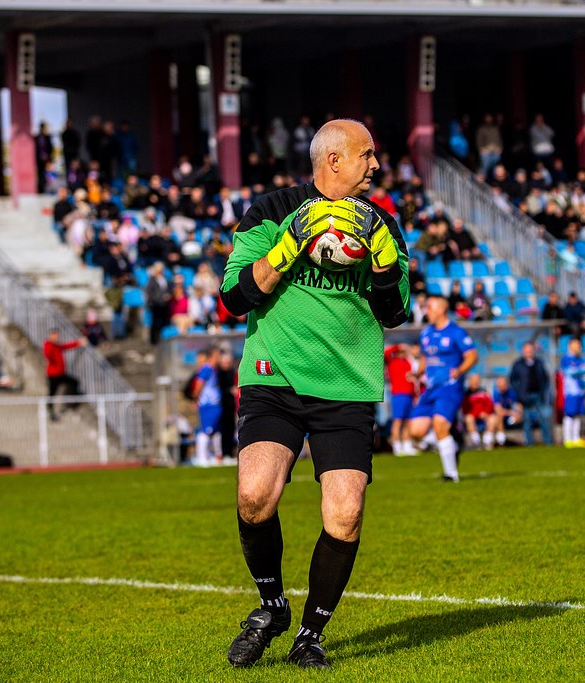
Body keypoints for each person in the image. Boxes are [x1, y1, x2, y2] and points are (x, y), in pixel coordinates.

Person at [218, 119, 410, 670]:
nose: (375, 165)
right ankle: (272, 606)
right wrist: (288, 247)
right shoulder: (270, 211)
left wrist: (383, 262)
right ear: (334, 160)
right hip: (273, 377)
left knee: (344, 516)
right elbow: (234, 296)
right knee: (254, 496)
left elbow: (395, 311)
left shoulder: (382, 223)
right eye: (366, 155)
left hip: (345, 386)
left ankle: (309, 635)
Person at [406, 296, 477, 481]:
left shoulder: (456, 332)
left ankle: (451, 474)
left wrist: (460, 370)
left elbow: (472, 356)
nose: (426, 311)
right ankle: (452, 441)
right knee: (415, 431)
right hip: (431, 388)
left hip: (449, 388)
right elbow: (425, 357)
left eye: (429, 307)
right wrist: (417, 373)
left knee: (439, 426)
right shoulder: (426, 333)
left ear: (441, 309)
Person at [510, 341, 552, 446]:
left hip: (538, 395)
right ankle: (529, 443)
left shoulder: (539, 363)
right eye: (526, 350)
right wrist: (520, 393)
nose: (528, 352)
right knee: (527, 420)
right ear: (523, 351)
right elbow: (513, 380)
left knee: (543, 419)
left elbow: (545, 379)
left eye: (530, 350)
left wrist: (544, 392)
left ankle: (548, 442)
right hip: (525, 396)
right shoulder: (518, 364)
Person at [43, 329, 87, 421]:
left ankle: (71, 403)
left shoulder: (57, 346)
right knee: (52, 393)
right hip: (53, 375)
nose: (57, 338)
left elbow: (66, 346)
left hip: (61, 374)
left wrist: (78, 343)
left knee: (74, 382)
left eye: (57, 336)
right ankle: (50, 411)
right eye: (55, 336)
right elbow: (48, 355)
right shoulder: (48, 345)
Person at [384, 343, 417, 456]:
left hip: (409, 395)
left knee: (407, 422)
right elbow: (385, 354)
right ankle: (397, 446)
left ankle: (407, 445)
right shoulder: (392, 362)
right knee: (397, 421)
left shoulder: (408, 362)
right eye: (401, 352)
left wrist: (415, 395)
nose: (403, 353)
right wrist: (398, 346)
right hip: (398, 395)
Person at [192, 345, 222, 466]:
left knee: (214, 430)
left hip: (214, 404)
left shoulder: (213, 370)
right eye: (217, 356)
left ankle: (213, 456)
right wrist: (195, 398)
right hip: (208, 404)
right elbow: (199, 384)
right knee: (206, 430)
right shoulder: (206, 369)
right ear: (211, 357)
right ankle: (202, 457)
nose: (219, 358)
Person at [559, 337, 585, 448]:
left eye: (579, 345)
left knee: (578, 414)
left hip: (580, 391)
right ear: (570, 346)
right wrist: (580, 370)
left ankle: (576, 438)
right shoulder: (566, 359)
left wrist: (580, 370)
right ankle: (567, 439)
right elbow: (570, 372)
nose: (578, 347)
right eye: (576, 345)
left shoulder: (579, 358)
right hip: (570, 392)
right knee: (569, 414)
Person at [461, 373, 497, 450]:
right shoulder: (466, 394)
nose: (476, 382)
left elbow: (490, 404)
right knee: (468, 418)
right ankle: (476, 442)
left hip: (484, 415)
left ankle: (487, 442)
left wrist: (486, 413)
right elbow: (465, 409)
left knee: (493, 418)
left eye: (477, 380)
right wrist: (476, 414)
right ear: (470, 382)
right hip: (472, 416)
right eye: (474, 380)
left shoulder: (484, 392)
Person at [491, 375, 521, 447]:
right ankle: (501, 441)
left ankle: (525, 441)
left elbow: (518, 406)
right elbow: (498, 411)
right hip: (497, 418)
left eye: (503, 385)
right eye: (500, 385)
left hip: (508, 417)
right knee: (499, 416)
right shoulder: (496, 393)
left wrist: (518, 413)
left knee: (520, 417)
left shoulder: (511, 392)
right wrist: (512, 413)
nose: (502, 387)